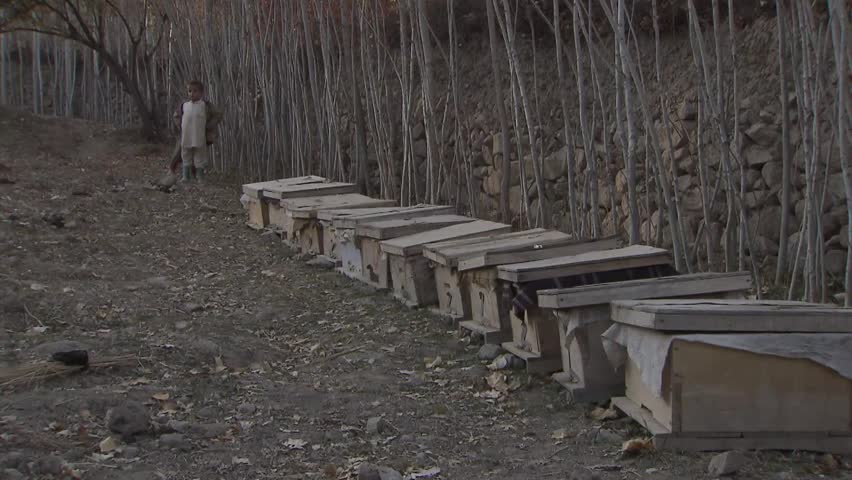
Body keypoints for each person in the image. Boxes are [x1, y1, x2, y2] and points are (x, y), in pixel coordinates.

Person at [170, 80, 223, 182]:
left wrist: (209, 125)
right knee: (185, 155)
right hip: (186, 136)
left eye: (195, 91)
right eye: (190, 91)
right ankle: (186, 176)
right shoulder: (184, 105)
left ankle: (200, 177)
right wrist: (180, 125)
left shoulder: (205, 105)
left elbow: (218, 115)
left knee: (200, 156)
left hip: (199, 136)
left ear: (201, 93)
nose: (192, 94)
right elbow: (176, 116)